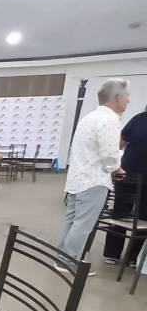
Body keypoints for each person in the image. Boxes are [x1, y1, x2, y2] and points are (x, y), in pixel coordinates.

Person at [58, 78, 129, 272]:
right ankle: (69, 262)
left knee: (72, 221)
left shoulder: (89, 118)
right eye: (127, 96)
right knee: (83, 225)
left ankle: (61, 259)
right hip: (93, 181)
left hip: (77, 178)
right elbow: (109, 155)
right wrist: (117, 169)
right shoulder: (110, 120)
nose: (128, 100)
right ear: (117, 97)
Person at [104, 106, 147, 266]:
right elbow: (120, 141)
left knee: (144, 216)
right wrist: (111, 163)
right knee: (121, 211)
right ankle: (112, 253)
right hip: (127, 173)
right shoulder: (139, 118)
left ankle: (132, 257)